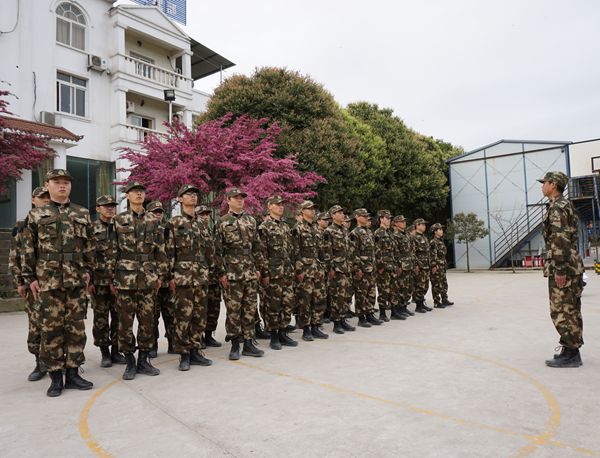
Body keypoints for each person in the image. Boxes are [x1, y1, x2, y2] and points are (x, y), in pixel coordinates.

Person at [22, 169, 94, 397]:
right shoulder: (36, 214)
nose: (62, 186)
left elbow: (90, 247)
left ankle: (73, 373)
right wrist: (30, 278)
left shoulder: (82, 212)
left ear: (70, 186)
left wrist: (89, 271)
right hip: (48, 280)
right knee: (51, 329)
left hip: (75, 279)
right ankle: (55, 377)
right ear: (48, 185)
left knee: (76, 328)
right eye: (57, 182)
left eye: (66, 182)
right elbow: (28, 248)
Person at [113, 182, 168, 380]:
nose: (138, 194)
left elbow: (160, 250)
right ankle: (129, 361)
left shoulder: (154, 220)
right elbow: (113, 250)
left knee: (147, 321)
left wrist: (161, 275)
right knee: (125, 323)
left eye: (141, 191)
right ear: (127, 196)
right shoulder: (119, 220)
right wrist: (113, 278)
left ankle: (144, 360)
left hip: (148, 277)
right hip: (125, 278)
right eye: (134, 192)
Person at [538, 171, 585, 368]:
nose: (542, 186)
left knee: (562, 310)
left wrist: (559, 270)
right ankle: (570, 348)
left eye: (545, 183)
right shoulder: (564, 205)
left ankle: (572, 353)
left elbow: (560, 240)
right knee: (571, 308)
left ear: (553, 185)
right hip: (571, 263)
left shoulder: (557, 207)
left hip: (563, 265)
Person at [167, 185, 214, 371]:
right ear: (179, 199)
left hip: (201, 275)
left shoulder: (202, 224)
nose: (192, 197)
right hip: (182, 276)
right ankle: (184, 354)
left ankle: (195, 349)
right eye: (188, 195)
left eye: (194, 195)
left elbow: (209, 251)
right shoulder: (173, 223)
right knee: (183, 316)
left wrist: (209, 271)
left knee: (199, 316)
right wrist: (170, 275)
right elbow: (168, 251)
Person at [215, 188, 265, 360]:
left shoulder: (251, 220)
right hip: (232, 272)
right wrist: (221, 273)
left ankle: (249, 343)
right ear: (228, 200)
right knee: (233, 310)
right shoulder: (222, 222)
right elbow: (217, 250)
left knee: (250, 308)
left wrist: (258, 268)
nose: (239, 201)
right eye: (235, 198)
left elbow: (257, 246)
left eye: (241, 198)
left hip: (250, 271)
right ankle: (235, 344)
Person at [9, 186, 50, 382]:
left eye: (48, 197)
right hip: (33, 282)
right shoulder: (23, 224)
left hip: (55, 281)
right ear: (33, 200)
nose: (46, 200)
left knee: (59, 323)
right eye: (42, 197)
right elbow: (15, 255)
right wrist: (20, 281)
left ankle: (62, 361)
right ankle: (39, 362)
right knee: (36, 324)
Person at [90, 195, 125, 368]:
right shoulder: (91, 228)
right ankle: (104, 352)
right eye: (106, 206)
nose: (110, 209)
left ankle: (116, 351)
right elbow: (86, 255)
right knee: (101, 318)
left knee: (119, 317)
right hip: (99, 282)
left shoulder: (121, 227)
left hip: (120, 280)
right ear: (97, 208)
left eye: (112, 206)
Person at [258, 196, 298, 349]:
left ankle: (283, 332)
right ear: (269, 207)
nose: (281, 207)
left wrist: (292, 268)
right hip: (273, 273)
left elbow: (290, 250)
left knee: (287, 303)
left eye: (282, 204)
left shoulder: (286, 226)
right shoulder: (264, 227)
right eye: (277, 204)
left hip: (286, 272)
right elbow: (261, 253)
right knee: (273, 305)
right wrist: (265, 273)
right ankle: (274, 335)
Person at [292, 201, 329, 340]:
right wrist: (299, 271)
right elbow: (295, 252)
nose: (312, 211)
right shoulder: (298, 229)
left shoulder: (316, 228)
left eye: (313, 208)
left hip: (317, 269)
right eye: (309, 209)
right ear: (302, 211)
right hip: (305, 270)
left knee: (318, 298)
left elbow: (321, 251)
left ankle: (316, 326)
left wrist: (322, 267)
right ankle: (306, 329)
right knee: (305, 301)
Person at [146, 201, 175, 357]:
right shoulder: (146, 231)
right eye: (154, 211)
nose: (158, 214)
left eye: (160, 211)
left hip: (167, 280)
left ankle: (172, 343)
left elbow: (172, 255)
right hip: (152, 281)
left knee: (171, 314)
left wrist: (171, 276)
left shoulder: (168, 231)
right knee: (152, 316)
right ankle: (152, 346)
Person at [323, 205, 356, 334]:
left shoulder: (345, 230)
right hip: (337, 269)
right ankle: (337, 323)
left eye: (342, 212)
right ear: (333, 215)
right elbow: (327, 252)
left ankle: (343, 319)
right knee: (337, 296)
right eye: (339, 212)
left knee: (346, 295)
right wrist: (330, 268)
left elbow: (349, 251)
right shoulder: (329, 231)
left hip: (346, 267)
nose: (342, 214)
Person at [196, 205, 223, 348]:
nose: (205, 217)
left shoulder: (211, 231)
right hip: (200, 275)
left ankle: (208, 335)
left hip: (213, 275)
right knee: (200, 307)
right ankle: (198, 337)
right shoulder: (194, 230)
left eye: (207, 214)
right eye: (202, 214)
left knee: (214, 306)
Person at [350, 209, 380, 328]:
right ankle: (362, 317)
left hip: (371, 267)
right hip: (362, 268)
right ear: (357, 217)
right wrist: (357, 269)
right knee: (361, 293)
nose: (366, 218)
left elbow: (373, 252)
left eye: (367, 216)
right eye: (364, 216)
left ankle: (370, 313)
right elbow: (354, 253)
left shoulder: (369, 232)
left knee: (371, 292)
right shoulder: (354, 233)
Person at [375, 210, 404, 321]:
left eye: (389, 218)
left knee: (393, 289)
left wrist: (398, 265)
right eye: (387, 218)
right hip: (384, 267)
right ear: (381, 219)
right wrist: (380, 266)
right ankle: (382, 313)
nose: (389, 220)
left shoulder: (389, 233)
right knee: (383, 290)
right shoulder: (378, 233)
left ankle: (394, 312)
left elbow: (394, 251)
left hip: (392, 266)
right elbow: (377, 251)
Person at [391, 215, 414, 317]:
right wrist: (398, 265)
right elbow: (395, 252)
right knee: (399, 288)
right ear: (395, 223)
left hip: (408, 264)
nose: (404, 223)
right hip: (401, 265)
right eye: (401, 221)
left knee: (407, 287)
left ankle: (404, 307)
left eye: (404, 221)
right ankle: (398, 309)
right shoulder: (395, 235)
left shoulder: (405, 235)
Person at [429, 223, 453, 308]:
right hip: (437, 266)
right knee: (436, 284)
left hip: (442, 266)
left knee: (443, 283)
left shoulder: (440, 241)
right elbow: (432, 255)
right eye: (440, 229)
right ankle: (436, 302)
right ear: (435, 231)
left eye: (441, 229)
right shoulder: (433, 242)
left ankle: (444, 299)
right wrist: (434, 266)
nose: (442, 231)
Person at [412, 218, 432, 313]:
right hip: (420, 266)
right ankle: (418, 305)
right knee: (419, 285)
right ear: (417, 225)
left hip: (426, 265)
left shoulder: (424, 237)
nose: (424, 226)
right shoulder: (414, 237)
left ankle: (422, 303)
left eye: (424, 224)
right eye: (422, 224)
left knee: (425, 285)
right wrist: (416, 265)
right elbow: (413, 252)